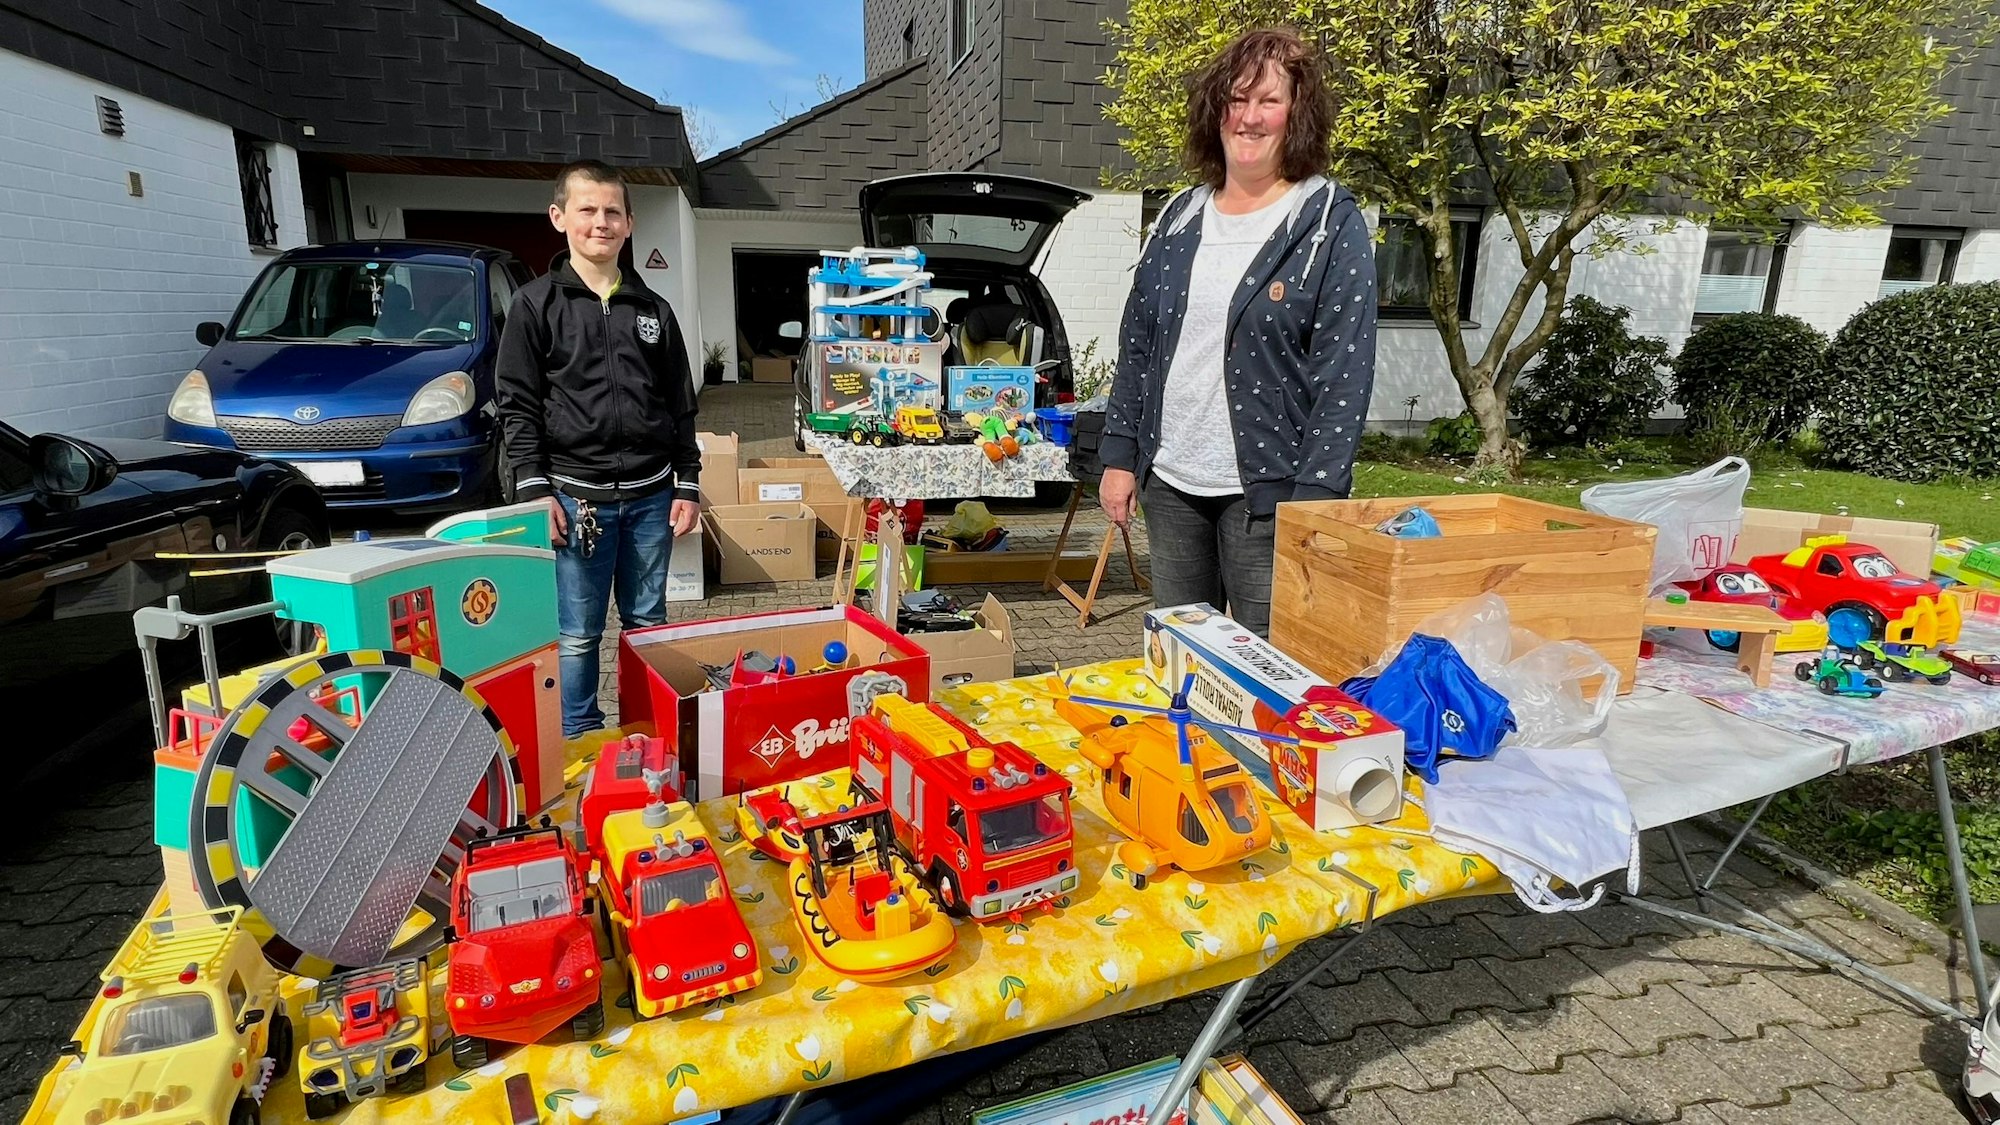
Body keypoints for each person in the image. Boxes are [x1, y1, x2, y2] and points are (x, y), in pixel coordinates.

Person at [1099, 26, 1377, 637]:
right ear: (1215, 110)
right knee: (1179, 652)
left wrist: (1317, 496)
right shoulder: (1179, 216)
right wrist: (1119, 457)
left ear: (1297, 114)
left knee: (1268, 664)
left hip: (1273, 495)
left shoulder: (1327, 221)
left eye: (1269, 100)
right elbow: (1138, 346)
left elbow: (1345, 371)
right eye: (1237, 99)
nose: (1250, 118)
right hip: (1171, 482)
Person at [496, 159, 702, 737]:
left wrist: (687, 482)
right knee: (578, 634)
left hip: (651, 498)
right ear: (559, 217)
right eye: (587, 209)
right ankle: (580, 738)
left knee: (648, 625)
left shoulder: (653, 310)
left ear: (630, 223)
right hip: (574, 499)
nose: (601, 222)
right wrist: (535, 490)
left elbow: (680, 403)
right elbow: (517, 404)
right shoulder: (534, 306)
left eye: (613, 211)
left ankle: (647, 731)